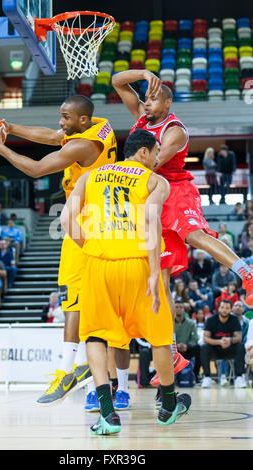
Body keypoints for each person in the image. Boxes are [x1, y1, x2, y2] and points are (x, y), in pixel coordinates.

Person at [111, 68, 253, 388]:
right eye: (145, 98)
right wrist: (146, 75)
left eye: (153, 98)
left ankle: (245, 272)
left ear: (168, 102)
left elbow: (152, 164)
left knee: (194, 236)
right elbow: (117, 82)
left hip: (176, 190)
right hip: (152, 195)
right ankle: (172, 351)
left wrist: (118, 177)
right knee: (160, 278)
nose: (146, 102)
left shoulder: (174, 130)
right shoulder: (141, 117)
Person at [0, 94, 117, 409]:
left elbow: (38, 169)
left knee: (73, 299)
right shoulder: (99, 125)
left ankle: (69, 371)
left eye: (66, 117)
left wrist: (0, 147)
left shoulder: (82, 146)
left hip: (87, 224)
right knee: (81, 301)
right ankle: (93, 377)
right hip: (100, 220)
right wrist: (9, 126)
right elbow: (54, 137)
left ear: (81, 120)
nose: (61, 123)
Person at [60, 128, 191, 433]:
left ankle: (107, 414)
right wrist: (156, 273)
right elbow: (150, 220)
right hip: (138, 265)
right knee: (158, 336)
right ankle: (169, 407)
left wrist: (91, 249)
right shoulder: (154, 181)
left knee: (94, 336)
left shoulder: (90, 176)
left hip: (97, 264)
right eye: (156, 153)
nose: (158, 159)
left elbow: (67, 220)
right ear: (143, 151)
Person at [200, 299, 246, 388]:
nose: (224, 310)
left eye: (227, 308)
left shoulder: (234, 319)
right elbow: (205, 338)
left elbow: (239, 337)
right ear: (219, 309)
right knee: (204, 347)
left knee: (240, 346)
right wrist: (219, 342)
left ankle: (239, 377)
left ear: (230, 309)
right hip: (215, 349)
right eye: (222, 307)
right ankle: (207, 377)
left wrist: (230, 340)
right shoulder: (211, 320)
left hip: (229, 349)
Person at [174, 301, 201, 382]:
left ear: (184, 310)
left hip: (187, 349)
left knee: (199, 348)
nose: (178, 309)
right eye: (176, 307)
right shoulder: (169, 323)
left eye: (181, 307)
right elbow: (166, 338)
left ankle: (196, 376)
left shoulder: (191, 323)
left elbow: (195, 338)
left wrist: (187, 346)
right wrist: (176, 346)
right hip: (173, 350)